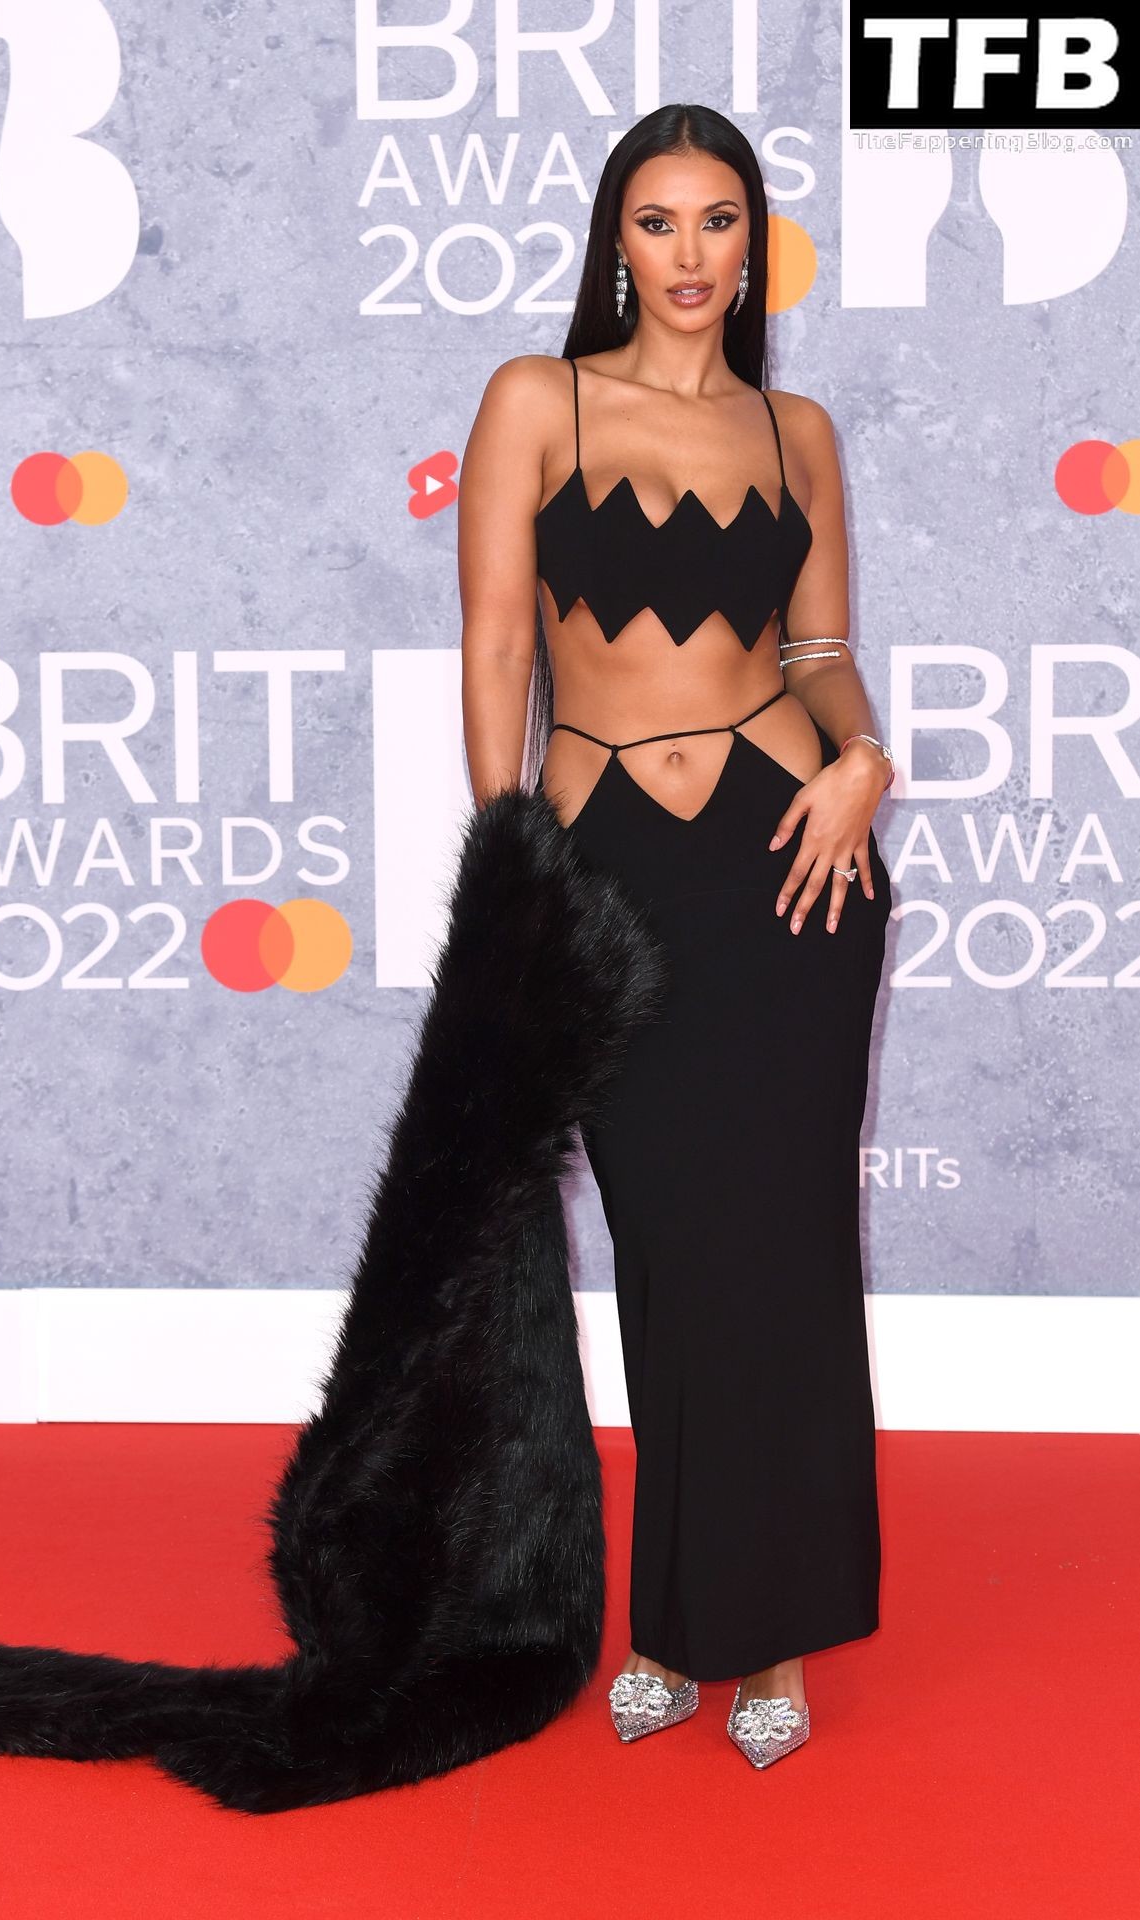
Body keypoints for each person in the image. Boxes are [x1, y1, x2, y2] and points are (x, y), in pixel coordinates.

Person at [458, 103, 895, 1770]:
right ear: (614, 245)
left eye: (720, 221)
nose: (691, 253)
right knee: (663, 1246)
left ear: (751, 245)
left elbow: (819, 653)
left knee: (785, 1251)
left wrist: (864, 761)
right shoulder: (538, 399)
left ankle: (766, 1639)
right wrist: (512, 870)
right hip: (609, 864)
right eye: (659, 222)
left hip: (791, 871)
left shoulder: (797, 430)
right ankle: (667, 1615)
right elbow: (499, 649)